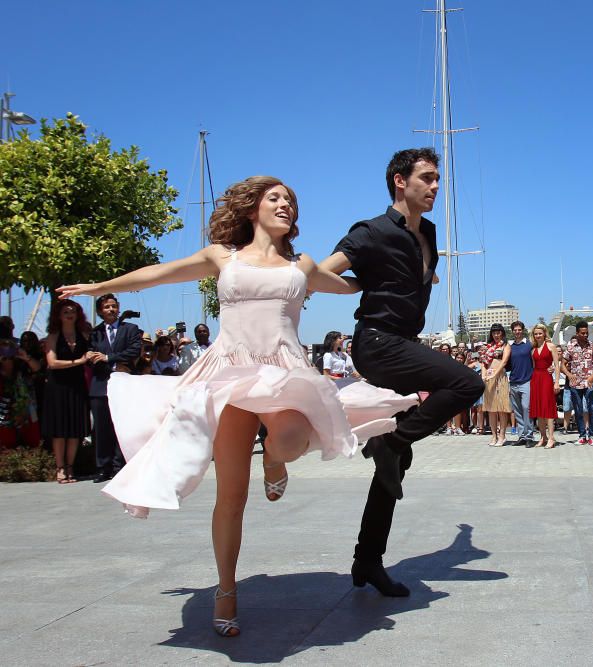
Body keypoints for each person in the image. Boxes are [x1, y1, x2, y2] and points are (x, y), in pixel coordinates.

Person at [59, 175, 416, 637]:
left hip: (281, 370)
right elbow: (159, 273)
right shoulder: (221, 256)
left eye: (290, 199)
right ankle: (226, 589)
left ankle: (273, 461)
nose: (285, 204)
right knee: (231, 495)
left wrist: (403, 266)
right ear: (252, 209)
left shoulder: (301, 264)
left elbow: (350, 287)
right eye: (275, 198)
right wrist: (98, 287)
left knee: (287, 440)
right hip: (227, 373)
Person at [321, 148, 484, 598]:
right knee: (467, 382)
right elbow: (320, 272)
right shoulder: (371, 231)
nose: (435, 187)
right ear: (399, 181)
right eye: (427, 179)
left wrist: (464, 536)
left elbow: (418, 274)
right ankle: (390, 442)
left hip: (404, 344)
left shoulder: (427, 233)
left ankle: (366, 561)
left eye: (438, 180)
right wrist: (356, 283)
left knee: (396, 468)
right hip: (377, 342)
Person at [88, 293, 141, 482]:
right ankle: (103, 467)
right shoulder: (95, 333)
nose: (111, 310)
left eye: (113, 306)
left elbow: (134, 350)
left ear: (118, 307)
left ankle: (120, 466)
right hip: (101, 386)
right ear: (100, 312)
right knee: (101, 429)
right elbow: (92, 356)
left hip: (125, 383)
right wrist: (103, 359)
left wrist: (109, 358)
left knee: (123, 427)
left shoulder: (131, 329)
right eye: (106, 307)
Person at [41, 300, 93, 484]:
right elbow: (52, 363)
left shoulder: (84, 334)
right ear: (59, 315)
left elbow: (92, 353)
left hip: (77, 384)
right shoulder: (53, 335)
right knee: (60, 429)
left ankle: (70, 467)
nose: (70, 314)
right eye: (66, 311)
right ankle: (60, 467)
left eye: (73, 311)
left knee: (75, 429)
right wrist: (78, 362)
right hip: (58, 386)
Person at [560, 322, 593, 445]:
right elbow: (562, 364)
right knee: (578, 409)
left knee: (592, 409)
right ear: (577, 333)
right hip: (575, 384)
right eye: (582, 333)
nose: (585, 335)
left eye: (586, 333)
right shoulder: (571, 347)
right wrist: (569, 375)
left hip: (589, 383)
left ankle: (592, 435)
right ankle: (581, 435)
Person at [528, 324, 560, 449]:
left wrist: (556, 382)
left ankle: (551, 437)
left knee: (548, 408)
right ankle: (543, 437)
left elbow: (557, 365)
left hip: (547, 378)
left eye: (540, 333)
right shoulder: (533, 350)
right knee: (538, 410)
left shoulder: (551, 346)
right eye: (536, 334)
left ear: (544, 333)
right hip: (536, 378)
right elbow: (533, 366)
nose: (538, 335)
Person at [481, 324, 513, 447]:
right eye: (494, 333)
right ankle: (493, 435)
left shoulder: (505, 346)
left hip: (500, 377)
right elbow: (483, 362)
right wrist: (484, 375)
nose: (496, 335)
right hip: (488, 378)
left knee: (501, 408)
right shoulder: (488, 347)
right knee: (491, 409)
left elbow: (504, 361)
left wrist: (495, 374)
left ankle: (502, 435)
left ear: (502, 333)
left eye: (498, 332)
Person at [507, 321, 535, 446]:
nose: (517, 332)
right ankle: (522, 436)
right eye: (515, 330)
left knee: (526, 408)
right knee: (517, 410)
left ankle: (529, 436)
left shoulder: (529, 345)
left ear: (522, 330)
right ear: (512, 331)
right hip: (513, 381)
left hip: (527, 381)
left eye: (519, 330)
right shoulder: (510, 346)